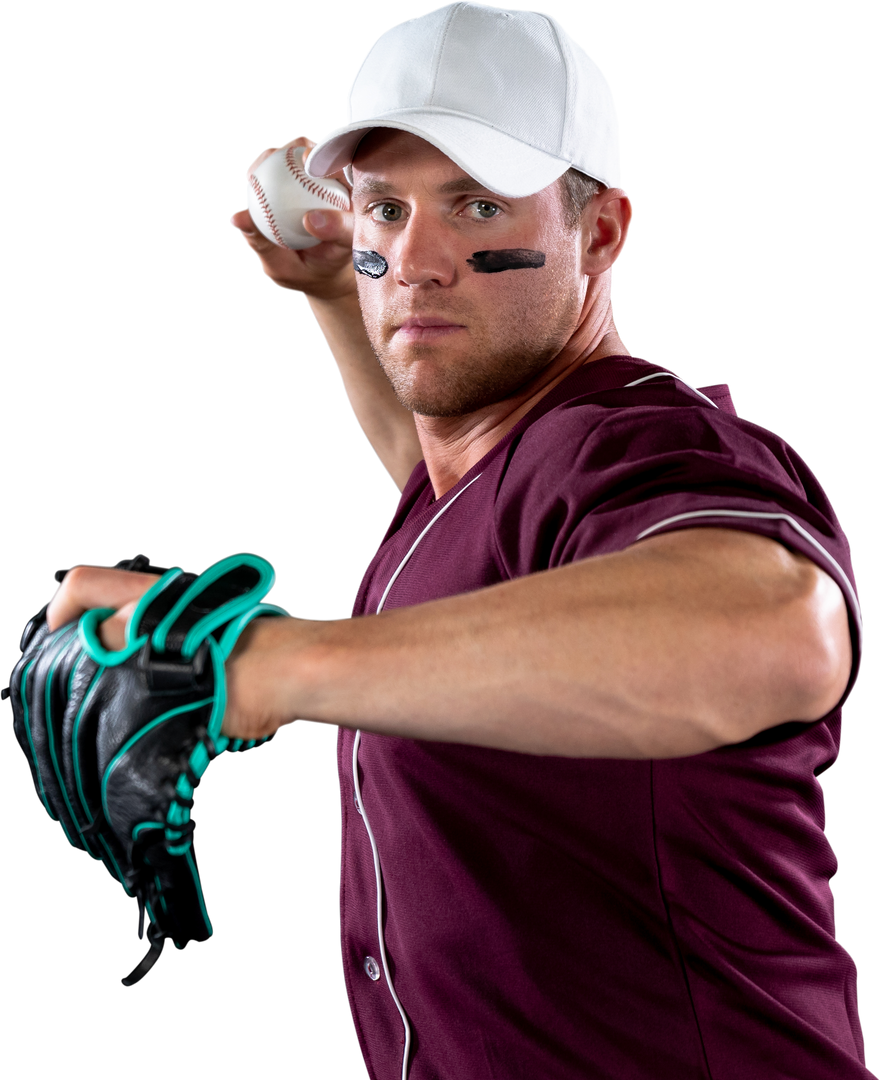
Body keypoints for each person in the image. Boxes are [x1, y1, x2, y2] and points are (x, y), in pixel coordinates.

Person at [46, 4, 871, 1077]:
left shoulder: (637, 446)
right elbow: (461, 523)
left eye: (475, 205)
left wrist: (273, 657)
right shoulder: (487, 473)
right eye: (385, 208)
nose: (418, 258)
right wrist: (340, 294)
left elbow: (775, 626)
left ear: (604, 233)